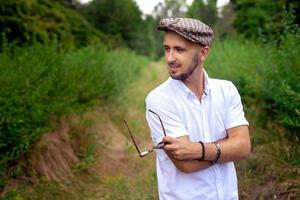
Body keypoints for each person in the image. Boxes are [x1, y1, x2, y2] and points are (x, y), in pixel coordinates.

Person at [145, 17, 251, 200]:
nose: (170, 58)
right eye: (166, 49)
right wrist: (227, 144)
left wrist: (196, 150)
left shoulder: (226, 90)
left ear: (203, 53)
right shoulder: (159, 99)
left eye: (179, 50)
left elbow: (243, 147)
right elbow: (187, 165)